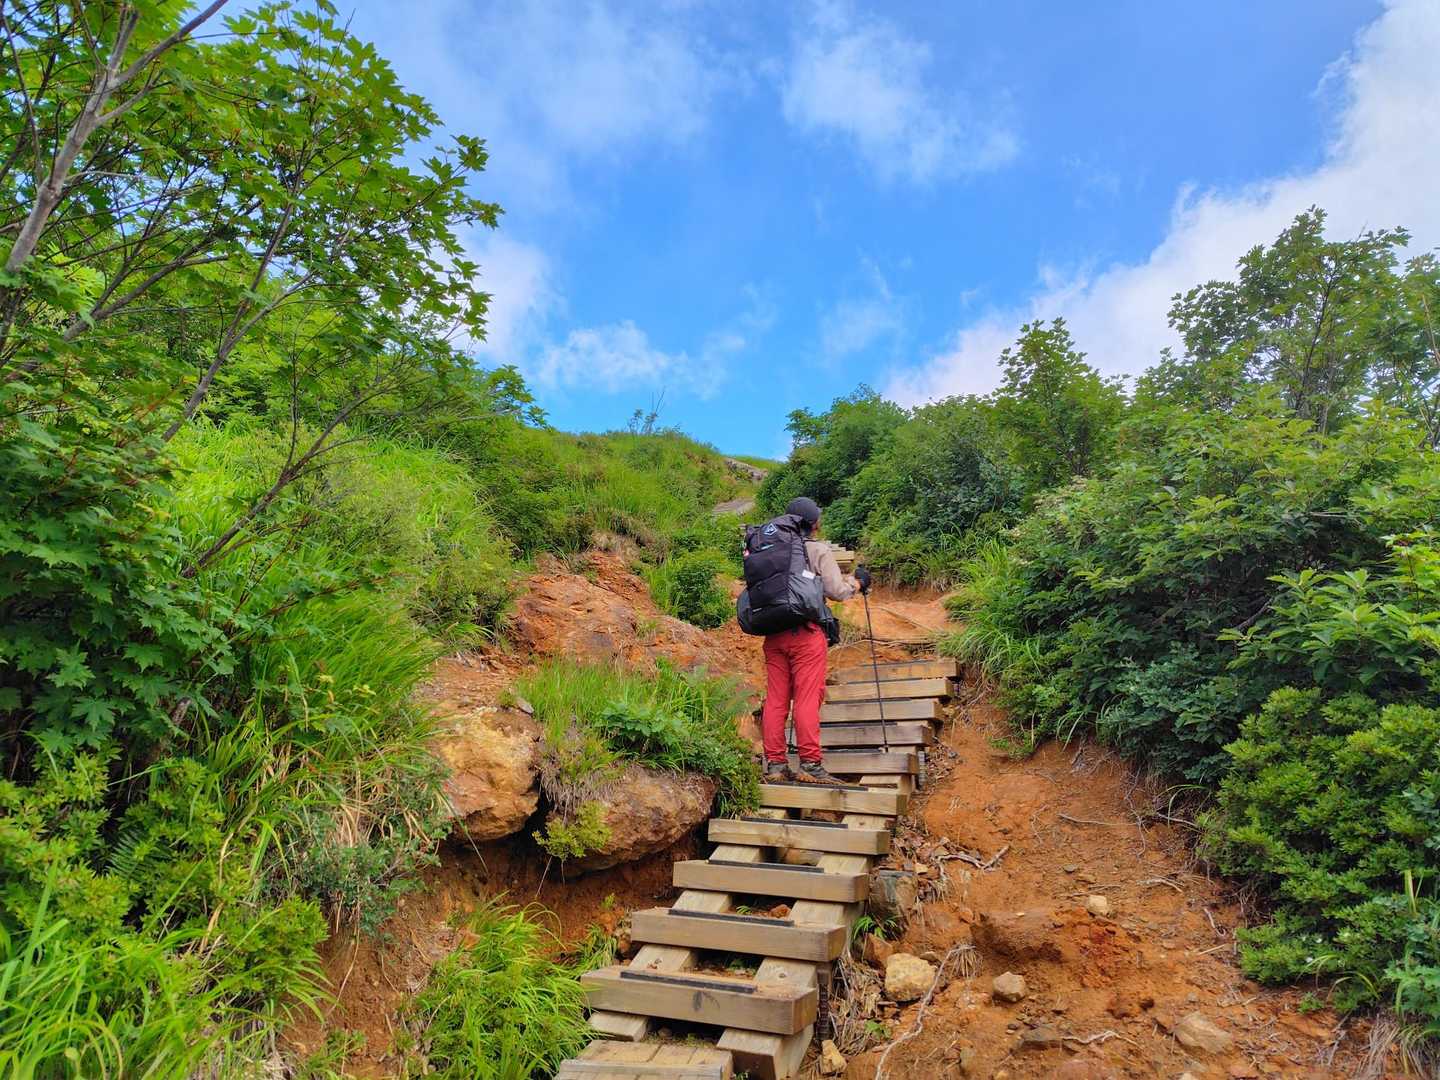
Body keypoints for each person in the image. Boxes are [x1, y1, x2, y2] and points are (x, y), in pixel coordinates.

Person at [760, 496, 872, 784]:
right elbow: (837, 591)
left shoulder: (770, 549)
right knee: (807, 698)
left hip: (773, 635)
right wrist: (858, 582)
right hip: (806, 634)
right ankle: (810, 763)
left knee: (776, 700)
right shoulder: (817, 549)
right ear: (813, 523)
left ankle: (775, 765)